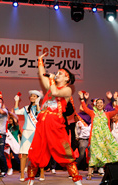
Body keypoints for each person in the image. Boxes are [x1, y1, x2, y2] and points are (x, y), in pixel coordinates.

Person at [26, 53, 82, 185]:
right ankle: (30, 180)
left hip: (56, 126)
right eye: (56, 73)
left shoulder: (67, 90)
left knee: (64, 151)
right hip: (43, 124)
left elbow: (56, 93)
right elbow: (42, 75)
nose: (57, 74)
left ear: (67, 78)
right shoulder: (50, 86)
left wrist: (51, 79)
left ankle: (76, 180)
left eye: (60, 73)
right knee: (36, 151)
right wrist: (40, 61)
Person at [78, 91, 118, 180]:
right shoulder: (92, 113)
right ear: (95, 105)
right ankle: (89, 174)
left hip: (105, 139)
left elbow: (116, 110)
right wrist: (82, 98)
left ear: (103, 105)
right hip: (95, 139)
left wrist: (117, 101)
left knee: (107, 155)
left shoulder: (107, 114)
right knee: (94, 155)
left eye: (101, 103)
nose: (99, 104)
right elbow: (84, 107)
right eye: (97, 103)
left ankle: (107, 173)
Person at [14, 90, 44, 182]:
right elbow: (17, 112)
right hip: (27, 133)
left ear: (38, 98)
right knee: (24, 154)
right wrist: (16, 101)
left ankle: (42, 173)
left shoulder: (42, 108)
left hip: (37, 133)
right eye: (31, 96)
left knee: (39, 155)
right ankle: (22, 174)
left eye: (34, 96)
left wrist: (38, 105)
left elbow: (40, 116)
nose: (32, 97)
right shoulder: (26, 108)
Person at [0, 97, 8, 178]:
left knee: (0, 153)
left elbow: (2, 112)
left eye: (0, 102)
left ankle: (4, 170)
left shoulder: (5, 110)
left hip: (1, 134)